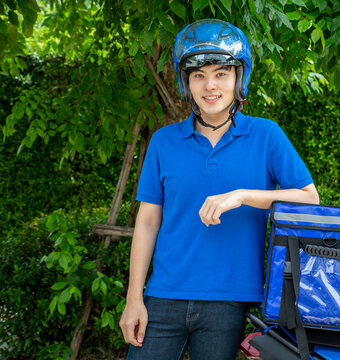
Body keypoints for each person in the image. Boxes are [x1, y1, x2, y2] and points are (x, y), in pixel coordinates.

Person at [119, 19, 319, 360]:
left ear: (238, 78)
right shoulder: (163, 142)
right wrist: (134, 298)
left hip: (228, 300)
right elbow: (148, 221)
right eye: (199, 75)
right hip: (163, 296)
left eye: (221, 74)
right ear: (187, 82)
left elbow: (308, 198)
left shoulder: (267, 135)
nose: (210, 85)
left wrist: (241, 195)